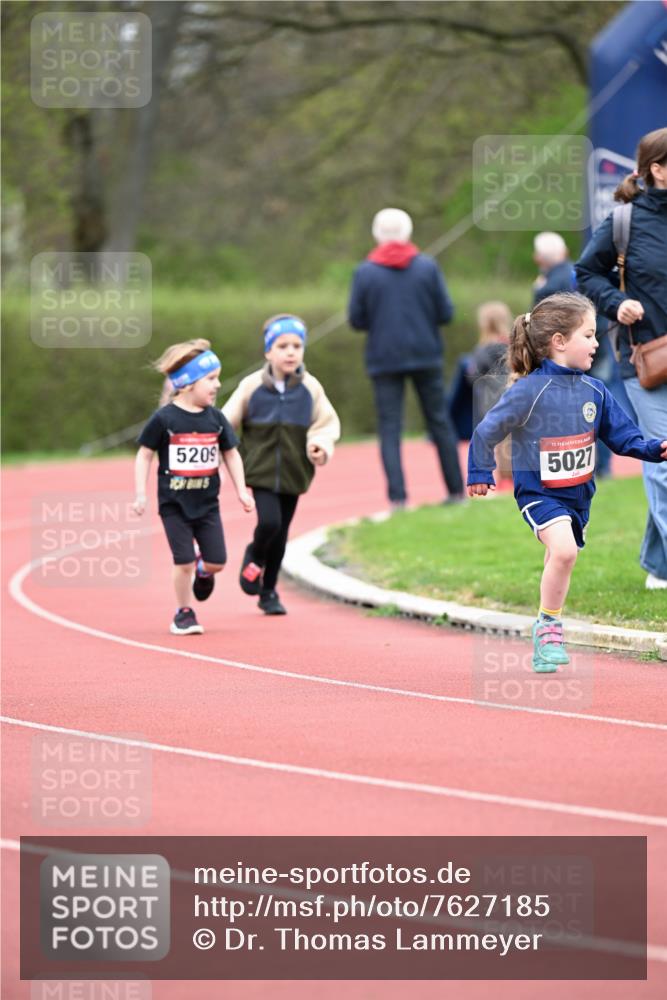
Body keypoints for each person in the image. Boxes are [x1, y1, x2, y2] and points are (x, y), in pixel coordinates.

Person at [467, 292, 667, 673]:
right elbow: (486, 432)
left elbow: (624, 437)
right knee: (564, 552)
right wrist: (479, 472)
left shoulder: (595, 391)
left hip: (579, 497)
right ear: (559, 342)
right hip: (539, 494)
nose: (596, 344)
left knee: (558, 559)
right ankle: (548, 627)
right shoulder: (529, 390)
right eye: (589, 336)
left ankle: (543, 643)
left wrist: (656, 448)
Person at [575, 126, 667, 589]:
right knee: (666, 458)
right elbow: (585, 274)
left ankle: (659, 565)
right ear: (658, 169)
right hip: (646, 359)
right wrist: (617, 303)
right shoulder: (624, 222)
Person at [133, 340, 255, 635]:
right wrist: (140, 492)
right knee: (183, 561)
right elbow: (145, 453)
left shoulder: (216, 418)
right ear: (187, 383)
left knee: (217, 563)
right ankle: (184, 612)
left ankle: (204, 570)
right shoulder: (164, 419)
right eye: (211, 379)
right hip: (174, 505)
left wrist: (241, 489)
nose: (218, 385)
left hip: (207, 505)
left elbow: (231, 453)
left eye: (217, 377)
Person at [222, 314, 340, 615]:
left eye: (297, 345)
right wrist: (217, 446)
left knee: (282, 532)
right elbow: (227, 420)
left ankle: (269, 591)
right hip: (259, 470)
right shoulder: (251, 386)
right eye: (283, 345)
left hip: (294, 471)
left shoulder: (311, 388)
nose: (290, 352)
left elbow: (325, 424)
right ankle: (254, 556)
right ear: (268, 352)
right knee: (270, 523)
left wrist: (319, 446)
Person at [348, 207, 464, 508]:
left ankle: (398, 499)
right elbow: (446, 313)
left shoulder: (365, 272)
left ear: (377, 235)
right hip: (426, 354)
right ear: (408, 233)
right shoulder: (427, 267)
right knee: (439, 422)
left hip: (384, 358)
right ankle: (455, 492)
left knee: (389, 428)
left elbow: (356, 320)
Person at [532, 232, 576, 305]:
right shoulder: (578, 270)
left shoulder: (548, 288)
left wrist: (538, 289)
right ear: (565, 252)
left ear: (540, 258)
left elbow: (536, 314)